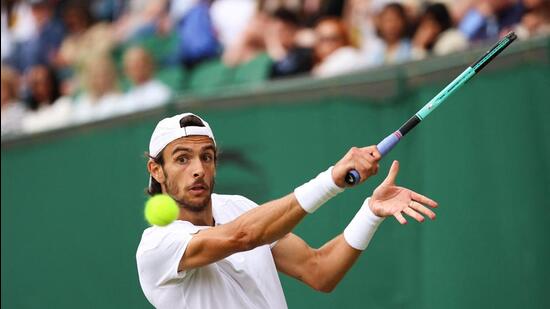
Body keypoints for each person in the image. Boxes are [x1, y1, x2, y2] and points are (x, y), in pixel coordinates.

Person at [136, 112, 438, 308]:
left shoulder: (239, 208)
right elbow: (243, 236)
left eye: (207, 157)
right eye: (182, 159)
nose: (198, 169)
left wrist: (370, 212)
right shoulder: (156, 245)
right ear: (156, 169)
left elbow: (320, 270)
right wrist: (331, 180)